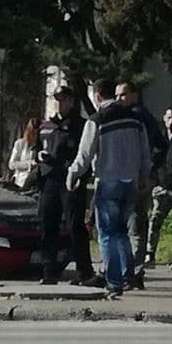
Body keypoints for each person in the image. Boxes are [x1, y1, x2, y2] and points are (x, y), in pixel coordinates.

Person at [67, 78, 151, 297]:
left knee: (106, 234)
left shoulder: (96, 120)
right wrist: (143, 175)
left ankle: (113, 282)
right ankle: (127, 274)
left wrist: (73, 174)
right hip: (131, 183)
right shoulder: (135, 119)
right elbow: (145, 152)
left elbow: (84, 155)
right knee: (122, 231)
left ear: (97, 96)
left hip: (108, 181)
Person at [36, 87, 94, 285]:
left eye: (64, 99)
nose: (60, 103)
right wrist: (38, 156)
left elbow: (86, 152)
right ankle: (49, 270)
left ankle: (84, 270)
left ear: (71, 101)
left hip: (70, 180)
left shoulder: (80, 125)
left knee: (74, 225)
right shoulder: (46, 125)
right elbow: (37, 146)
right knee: (47, 224)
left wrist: (79, 175)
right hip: (49, 179)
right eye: (57, 99)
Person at [115, 80, 166, 285]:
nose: (119, 99)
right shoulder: (123, 116)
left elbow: (161, 146)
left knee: (135, 224)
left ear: (134, 95)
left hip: (138, 180)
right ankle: (128, 268)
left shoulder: (140, 116)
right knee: (123, 225)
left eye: (123, 94)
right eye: (117, 95)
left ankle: (134, 271)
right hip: (122, 178)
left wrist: (148, 170)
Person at [144, 106, 172, 268]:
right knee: (154, 220)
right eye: (169, 118)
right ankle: (150, 253)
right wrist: (152, 182)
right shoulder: (158, 136)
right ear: (164, 118)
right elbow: (151, 161)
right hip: (161, 185)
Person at [8, 118, 40, 189]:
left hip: (35, 183)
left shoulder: (40, 146)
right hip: (21, 181)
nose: (35, 137)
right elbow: (12, 164)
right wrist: (28, 164)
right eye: (33, 134)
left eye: (37, 134)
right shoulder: (20, 144)